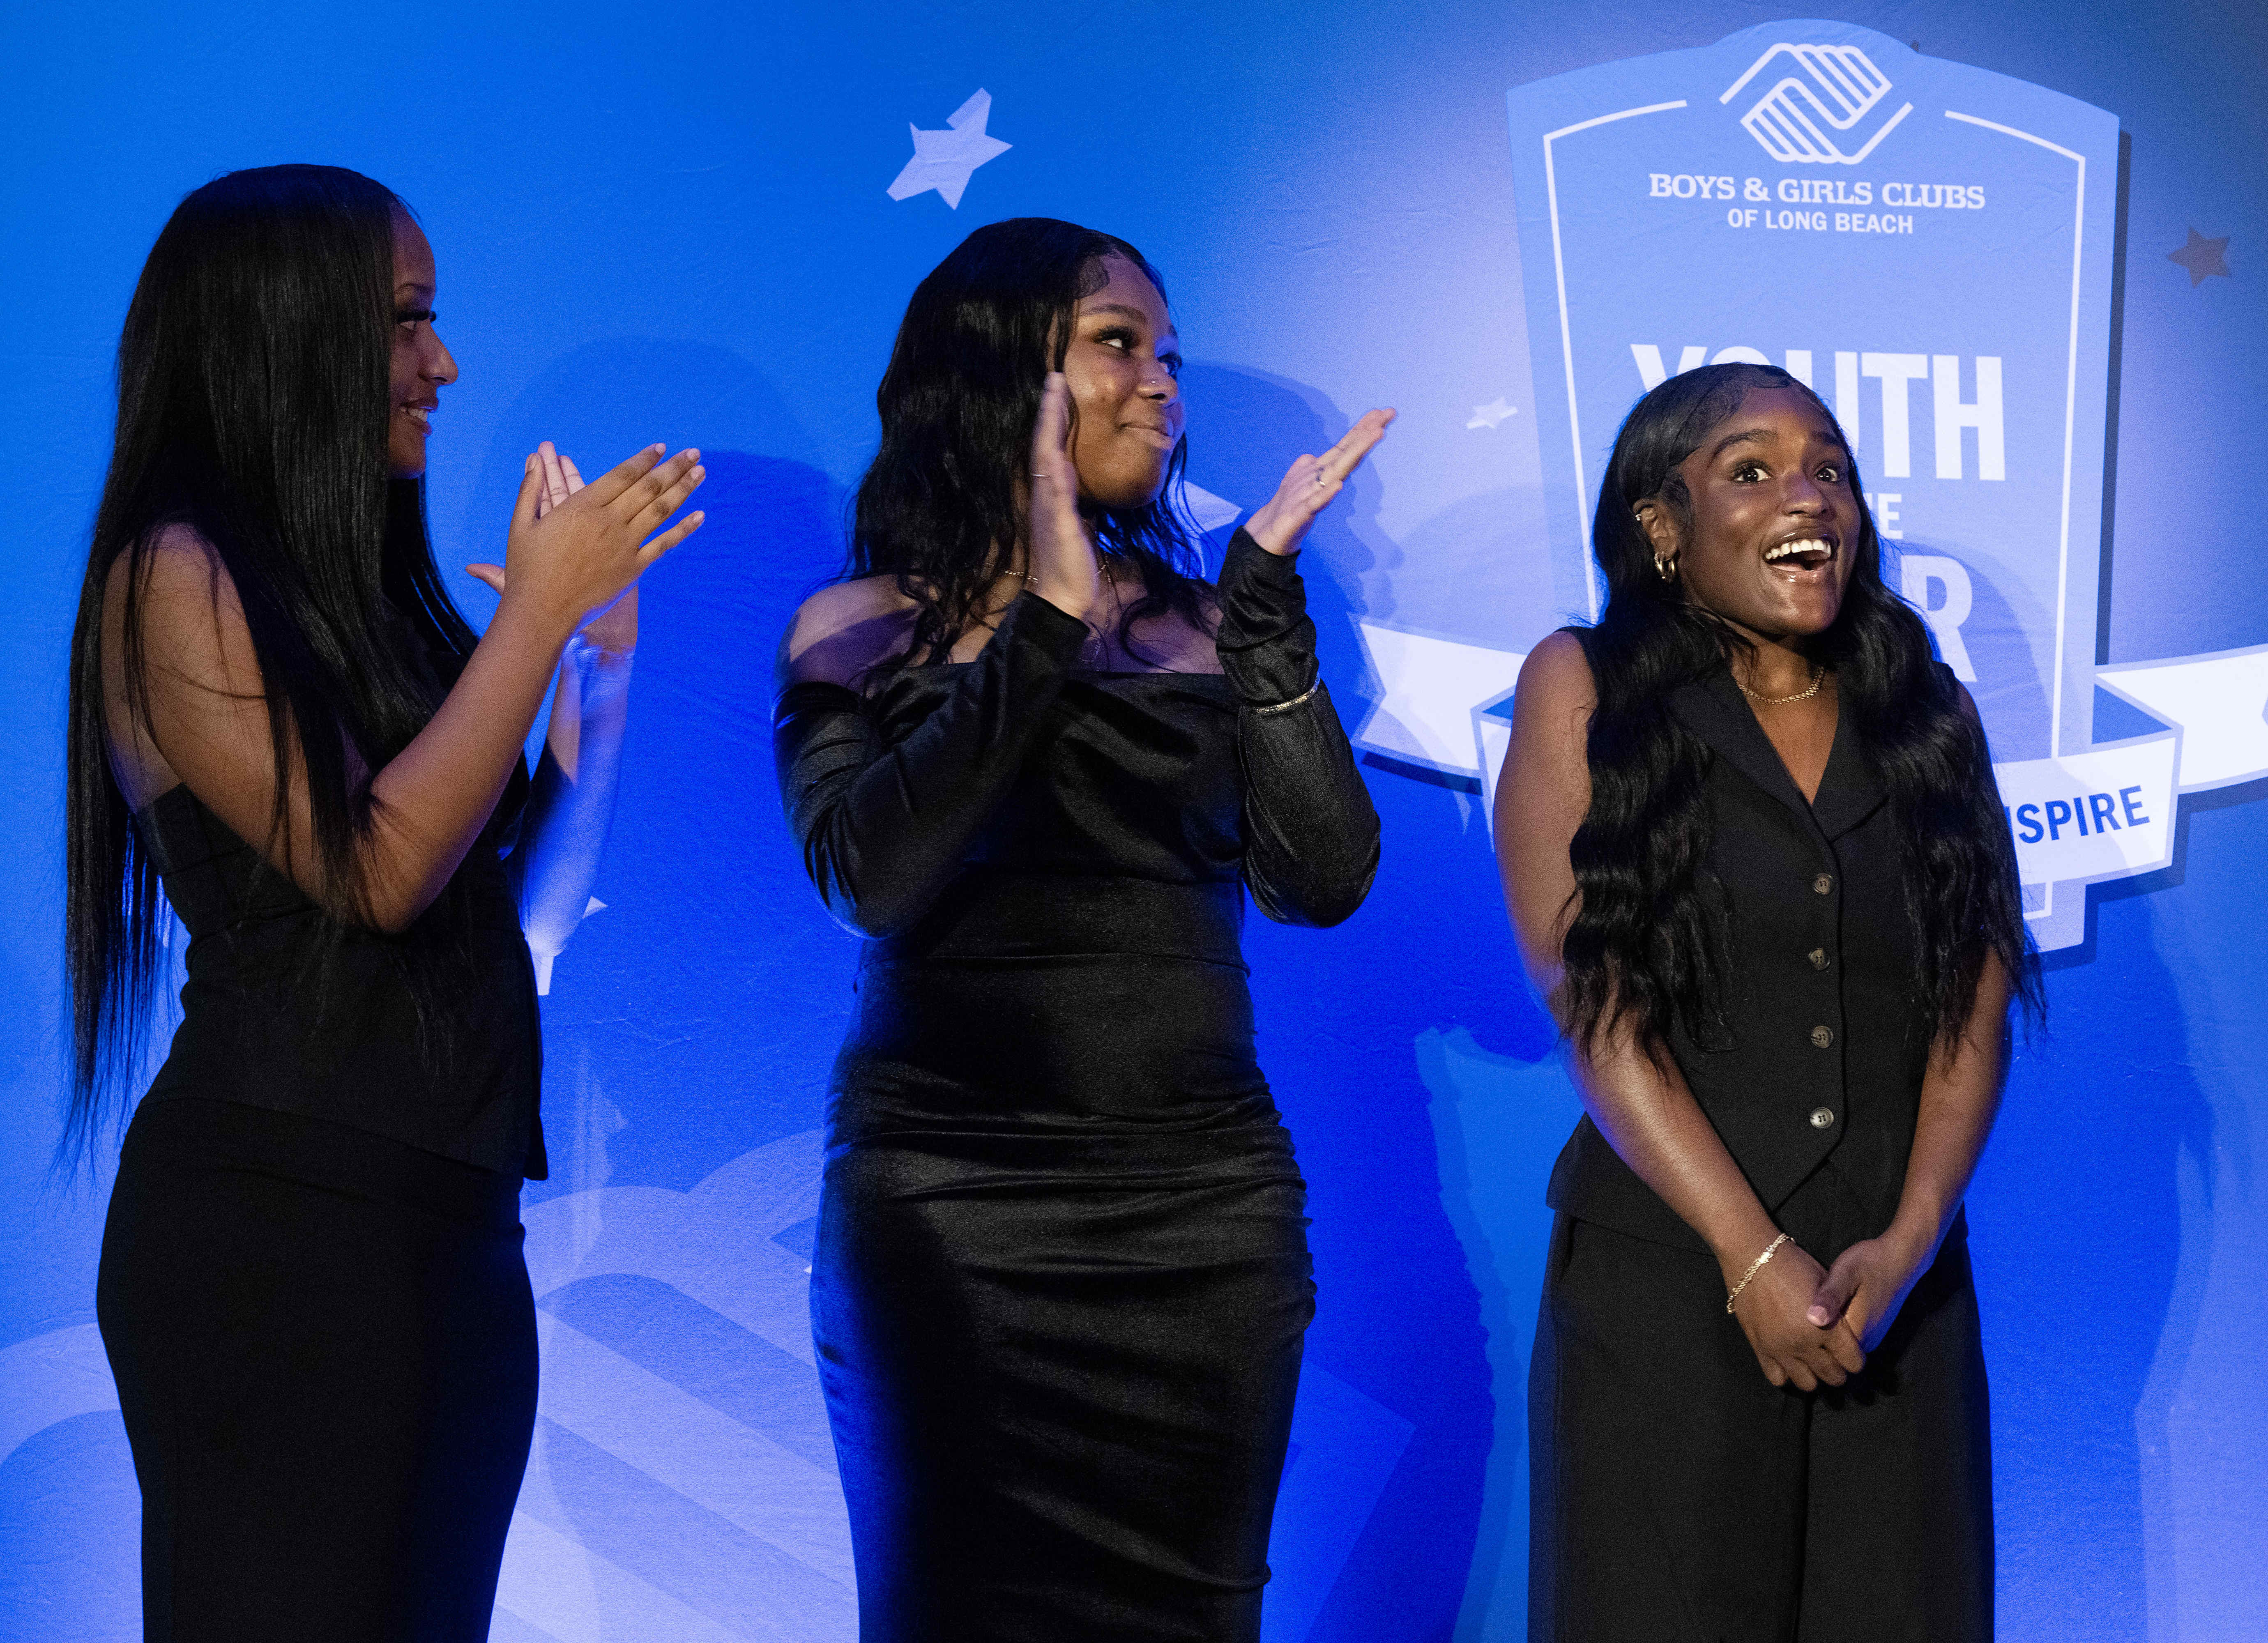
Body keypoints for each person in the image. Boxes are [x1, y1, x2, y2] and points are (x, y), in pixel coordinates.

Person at [67, 164, 705, 1639]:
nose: (444, 363)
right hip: (283, 1232)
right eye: (409, 321)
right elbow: (375, 872)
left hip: (448, 1228)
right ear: (289, 335)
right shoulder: (173, 575)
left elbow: (518, 926)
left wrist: (594, 676)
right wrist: (530, 618)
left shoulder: (351, 596)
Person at [773, 217, 1385, 1640]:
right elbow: (871, 875)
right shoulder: (856, 629)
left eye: (1168, 353)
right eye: (1120, 345)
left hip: (1202, 1221)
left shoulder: (1204, 626)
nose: (1162, 383)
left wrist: (1266, 616)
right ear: (1003, 375)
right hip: (952, 1218)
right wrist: (1045, 617)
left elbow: (1323, 879)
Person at [1492, 362, 2039, 1641]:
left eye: (1830, 470)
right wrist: (1749, 1258)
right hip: (1667, 1285)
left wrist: (1910, 1242)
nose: (1811, 497)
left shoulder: (1932, 715)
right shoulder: (1583, 684)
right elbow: (1588, 995)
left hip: (1889, 1301)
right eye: (1752, 470)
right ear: (1661, 525)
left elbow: (1972, 1002)